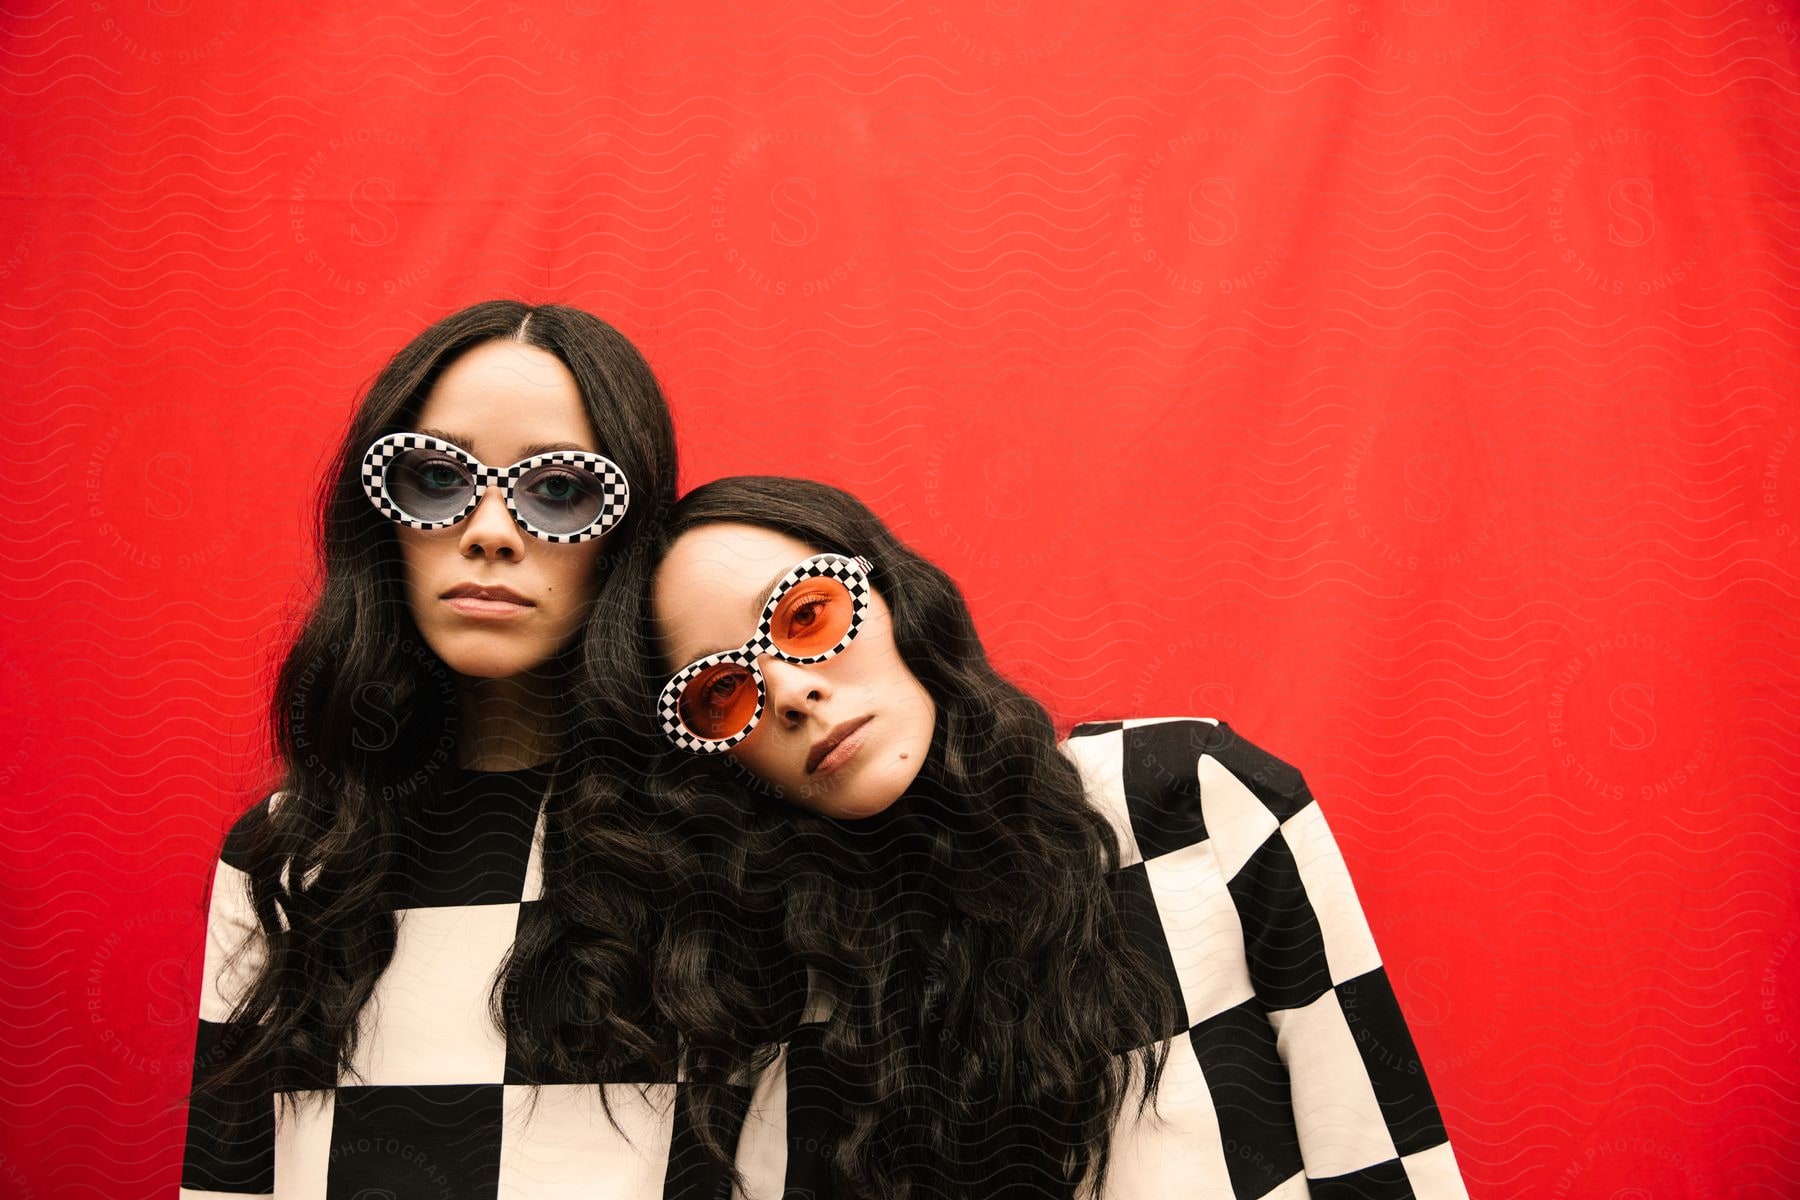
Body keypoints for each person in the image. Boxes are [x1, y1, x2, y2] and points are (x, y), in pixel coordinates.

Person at [639, 475, 1473, 1200]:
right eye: (719, 694)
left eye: (808, 615)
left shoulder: (1188, 799)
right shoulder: (771, 978)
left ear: (893, 592)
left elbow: (1380, 1158)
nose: (788, 693)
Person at [175, 300, 770, 1199]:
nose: (490, 531)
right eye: (434, 478)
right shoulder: (291, 853)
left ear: (629, 532)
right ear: (380, 519)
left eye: (560, 488)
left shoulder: (730, 837)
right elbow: (227, 1183)